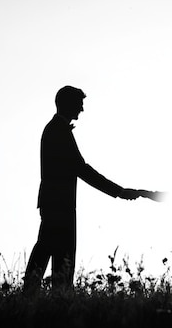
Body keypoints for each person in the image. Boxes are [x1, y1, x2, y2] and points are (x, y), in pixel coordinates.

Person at [24, 85, 147, 291]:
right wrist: (119, 191)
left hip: (55, 203)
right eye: (79, 104)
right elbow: (81, 169)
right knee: (59, 255)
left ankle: (42, 295)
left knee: (50, 251)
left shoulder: (55, 129)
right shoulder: (58, 130)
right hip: (59, 205)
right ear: (68, 104)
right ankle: (45, 295)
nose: (81, 110)